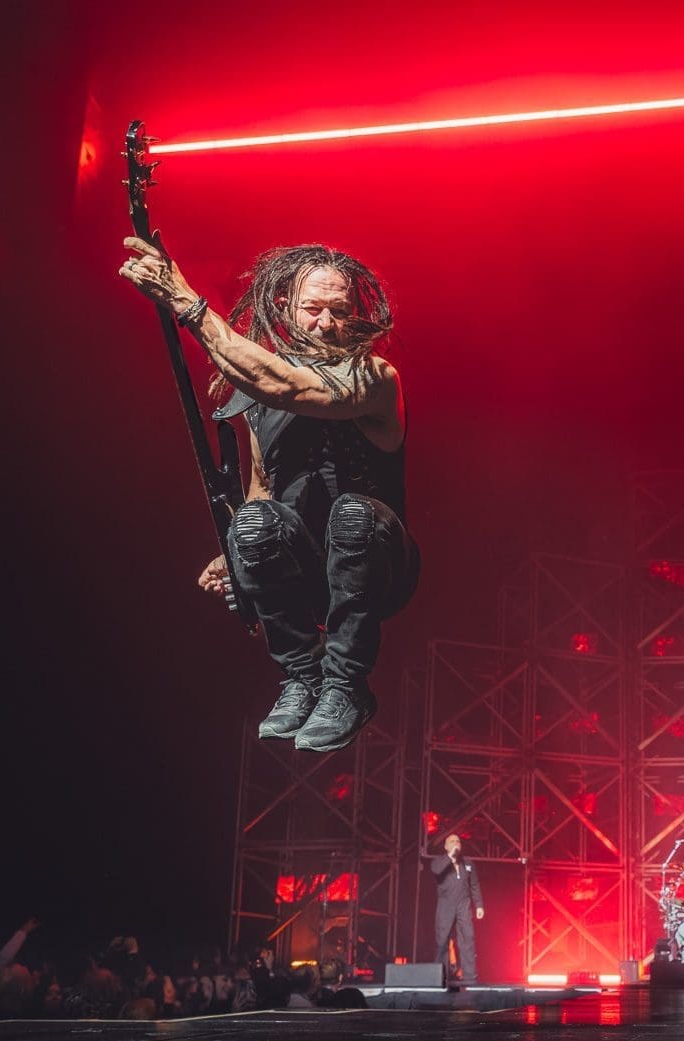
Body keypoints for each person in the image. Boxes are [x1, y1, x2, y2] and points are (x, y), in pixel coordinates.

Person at [118, 239, 420, 753]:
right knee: (253, 520)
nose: (326, 323)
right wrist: (239, 555)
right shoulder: (260, 399)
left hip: (379, 566)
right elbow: (263, 488)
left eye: (340, 311)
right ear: (285, 308)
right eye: (313, 308)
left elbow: (287, 385)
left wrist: (184, 300)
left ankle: (346, 686)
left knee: (352, 515)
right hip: (308, 572)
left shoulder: (374, 378)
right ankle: (302, 676)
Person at [429, 833, 484, 985]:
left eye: (458, 841)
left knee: (468, 937)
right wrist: (450, 857)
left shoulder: (468, 863)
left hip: (463, 904)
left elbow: (474, 884)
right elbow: (436, 871)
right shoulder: (439, 861)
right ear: (446, 846)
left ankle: (470, 977)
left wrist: (479, 905)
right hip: (446, 904)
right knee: (442, 940)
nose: (456, 843)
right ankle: (441, 976)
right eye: (452, 841)